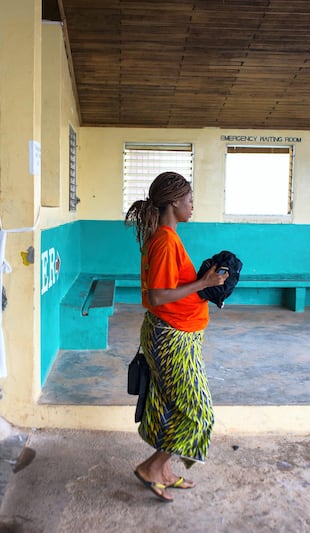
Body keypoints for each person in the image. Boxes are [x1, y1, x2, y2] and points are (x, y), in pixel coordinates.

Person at [124, 171, 228, 503]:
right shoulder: (166, 240)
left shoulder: (163, 237)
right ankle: (152, 468)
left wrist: (202, 280)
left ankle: (163, 471)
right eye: (189, 200)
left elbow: (168, 289)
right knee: (199, 410)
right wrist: (203, 284)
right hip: (171, 339)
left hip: (172, 333)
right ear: (173, 203)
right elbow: (157, 296)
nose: (192, 205)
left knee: (169, 404)